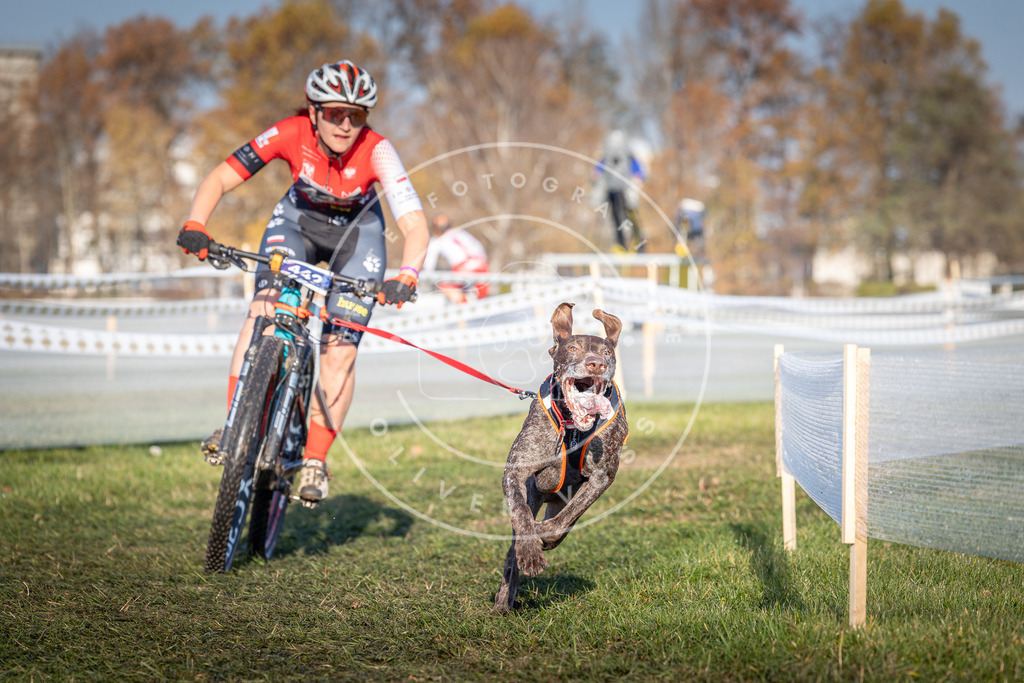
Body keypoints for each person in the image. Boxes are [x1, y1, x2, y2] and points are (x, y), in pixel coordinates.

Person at [176, 59, 429, 503]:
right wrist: (197, 223)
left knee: (339, 350)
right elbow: (221, 176)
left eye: (357, 115)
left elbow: (415, 224)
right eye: (334, 113)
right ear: (313, 112)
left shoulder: (379, 150)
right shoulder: (290, 131)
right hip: (296, 225)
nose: (345, 124)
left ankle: (314, 459)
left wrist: (406, 275)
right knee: (264, 311)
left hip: (358, 239)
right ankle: (237, 421)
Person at [595, 129, 646, 253]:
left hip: (626, 191)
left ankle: (638, 243)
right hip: (612, 191)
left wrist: (637, 180)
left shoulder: (629, 158)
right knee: (616, 218)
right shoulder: (607, 158)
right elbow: (598, 170)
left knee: (631, 215)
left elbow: (639, 172)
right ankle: (620, 243)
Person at [421, 213, 490, 304]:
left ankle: (463, 306)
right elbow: (479, 248)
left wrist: (427, 279)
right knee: (474, 292)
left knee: (444, 284)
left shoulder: (437, 240)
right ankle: (470, 298)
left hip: (464, 266)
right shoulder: (461, 232)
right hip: (482, 264)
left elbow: (429, 265)